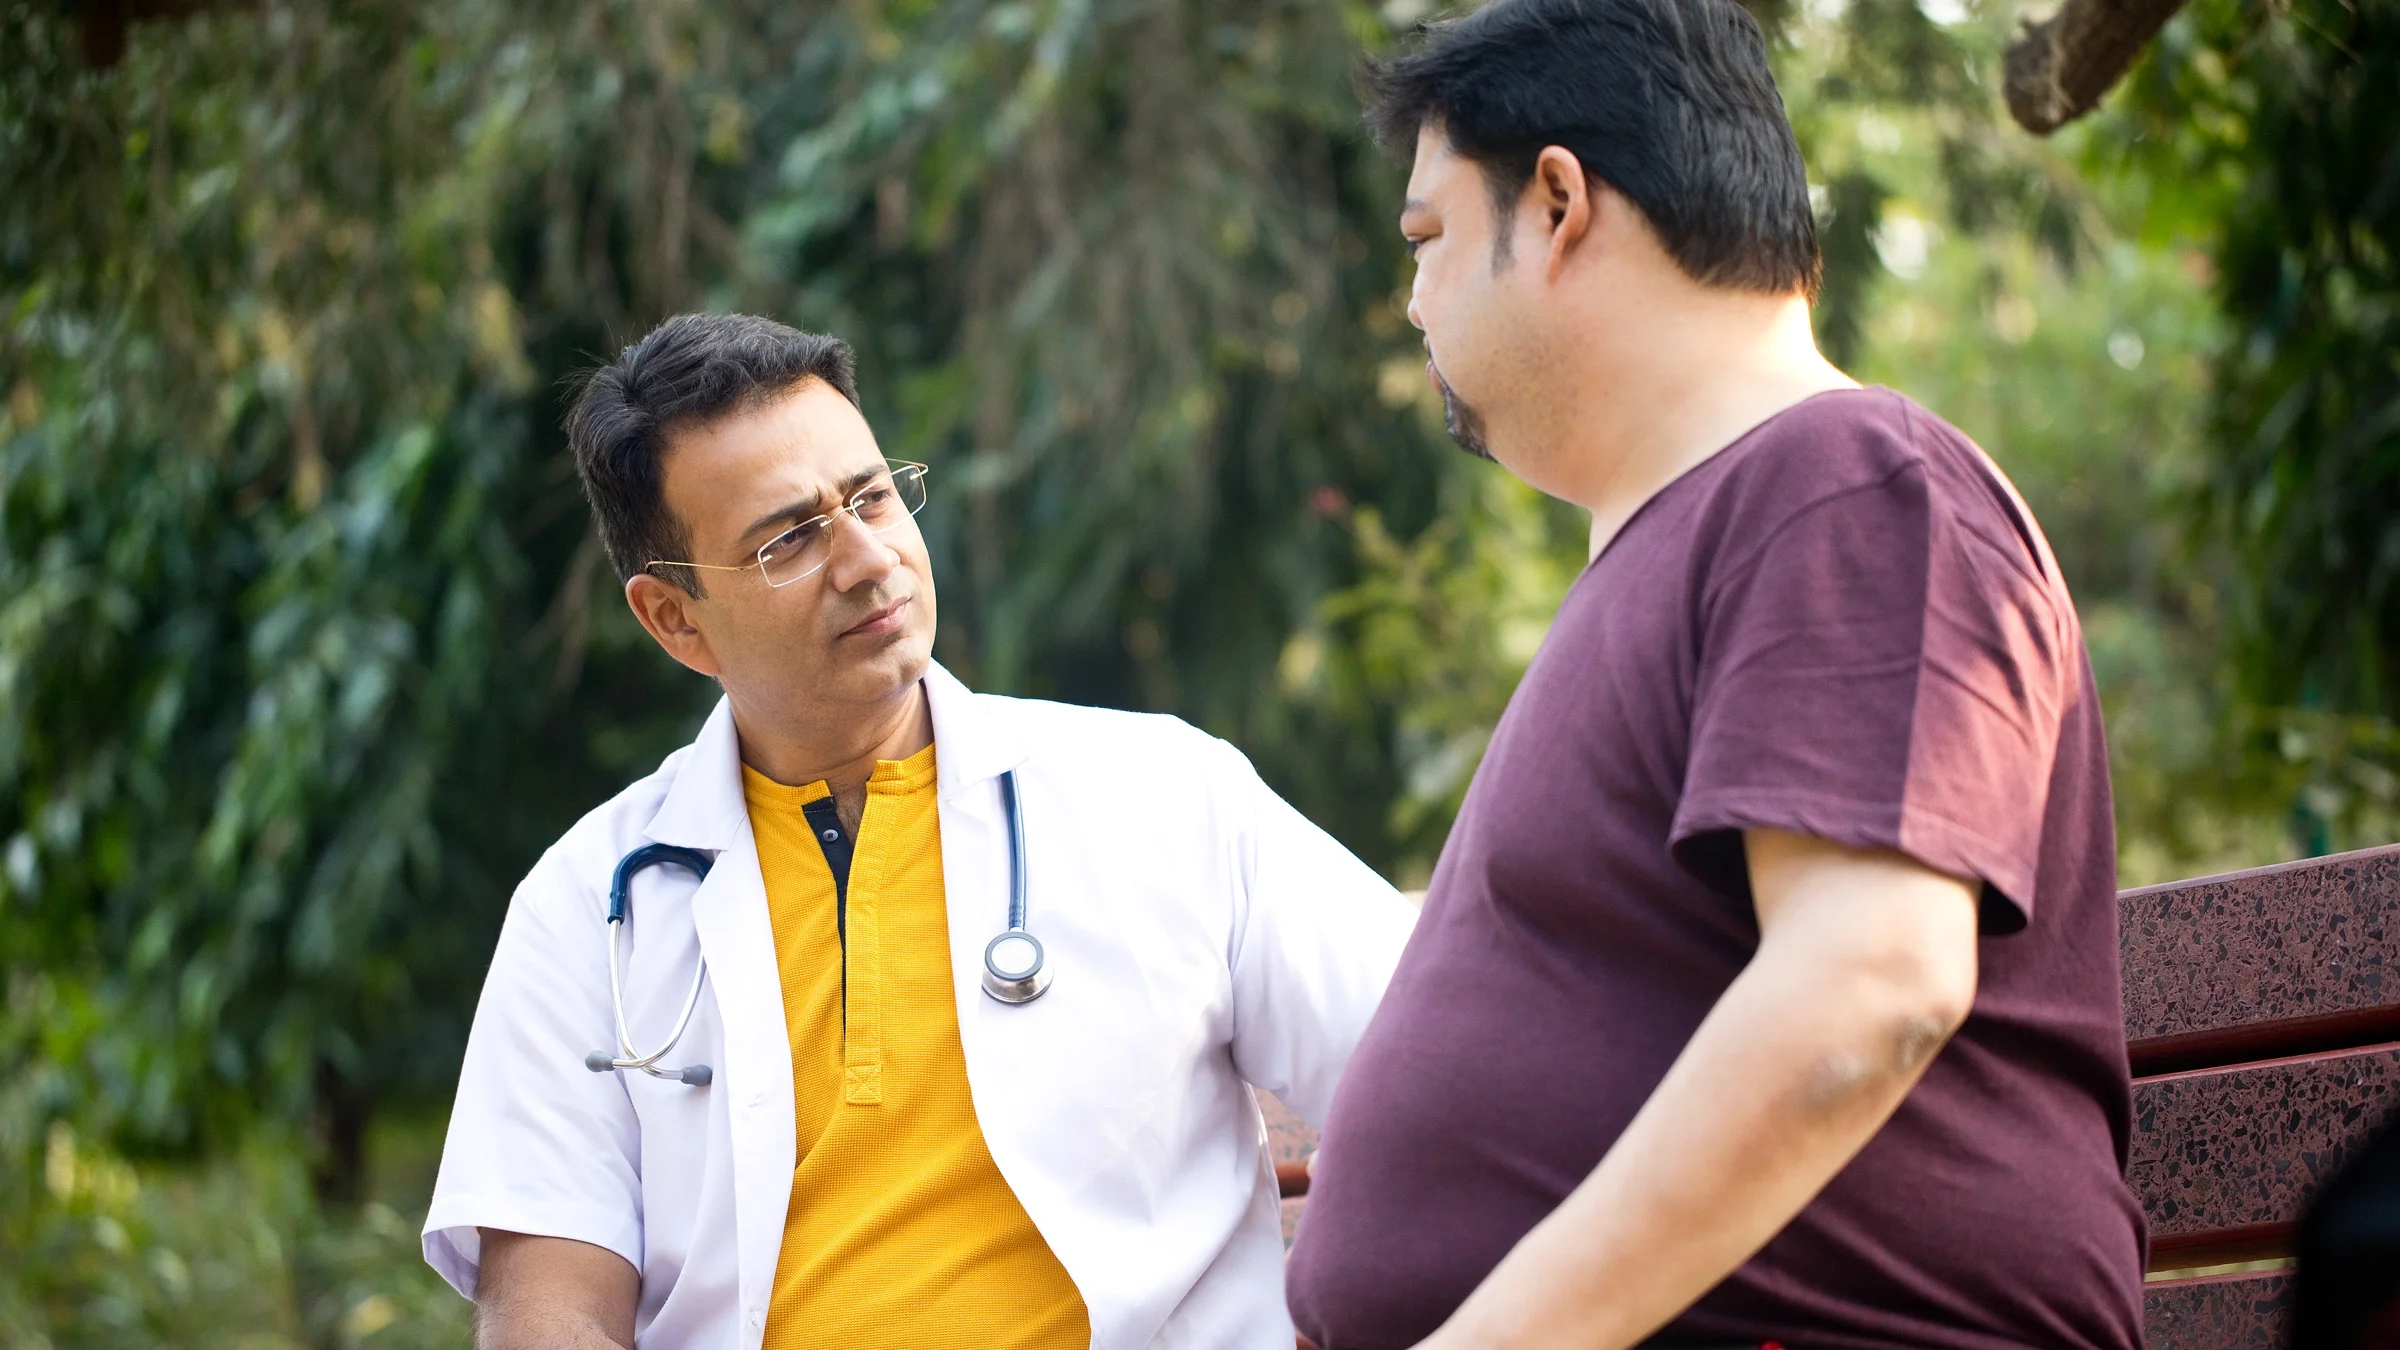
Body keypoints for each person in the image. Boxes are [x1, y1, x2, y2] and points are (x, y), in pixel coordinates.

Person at [1283, 2, 2146, 1347]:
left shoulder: (1846, 482)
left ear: (1558, 204)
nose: (1412, 301)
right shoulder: (1708, 536)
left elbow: (1872, 983)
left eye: (1428, 236)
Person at [421, 313, 1416, 1349]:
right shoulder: (586, 910)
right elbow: (551, 1310)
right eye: (788, 540)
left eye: (872, 498)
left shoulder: (1167, 797)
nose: (868, 558)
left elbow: (1448, 1067)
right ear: (676, 619)